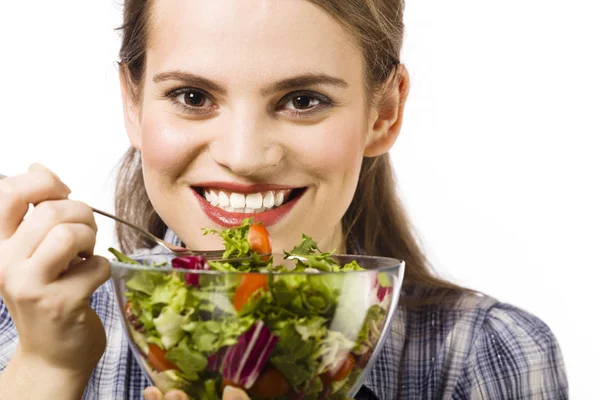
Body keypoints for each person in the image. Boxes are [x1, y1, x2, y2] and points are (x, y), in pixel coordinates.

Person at [0, 0, 568, 399]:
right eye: (192, 96)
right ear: (133, 103)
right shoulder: (21, 332)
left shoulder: (484, 357)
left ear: (385, 112)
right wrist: (47, 369)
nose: (245, 156)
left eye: (303, 99)